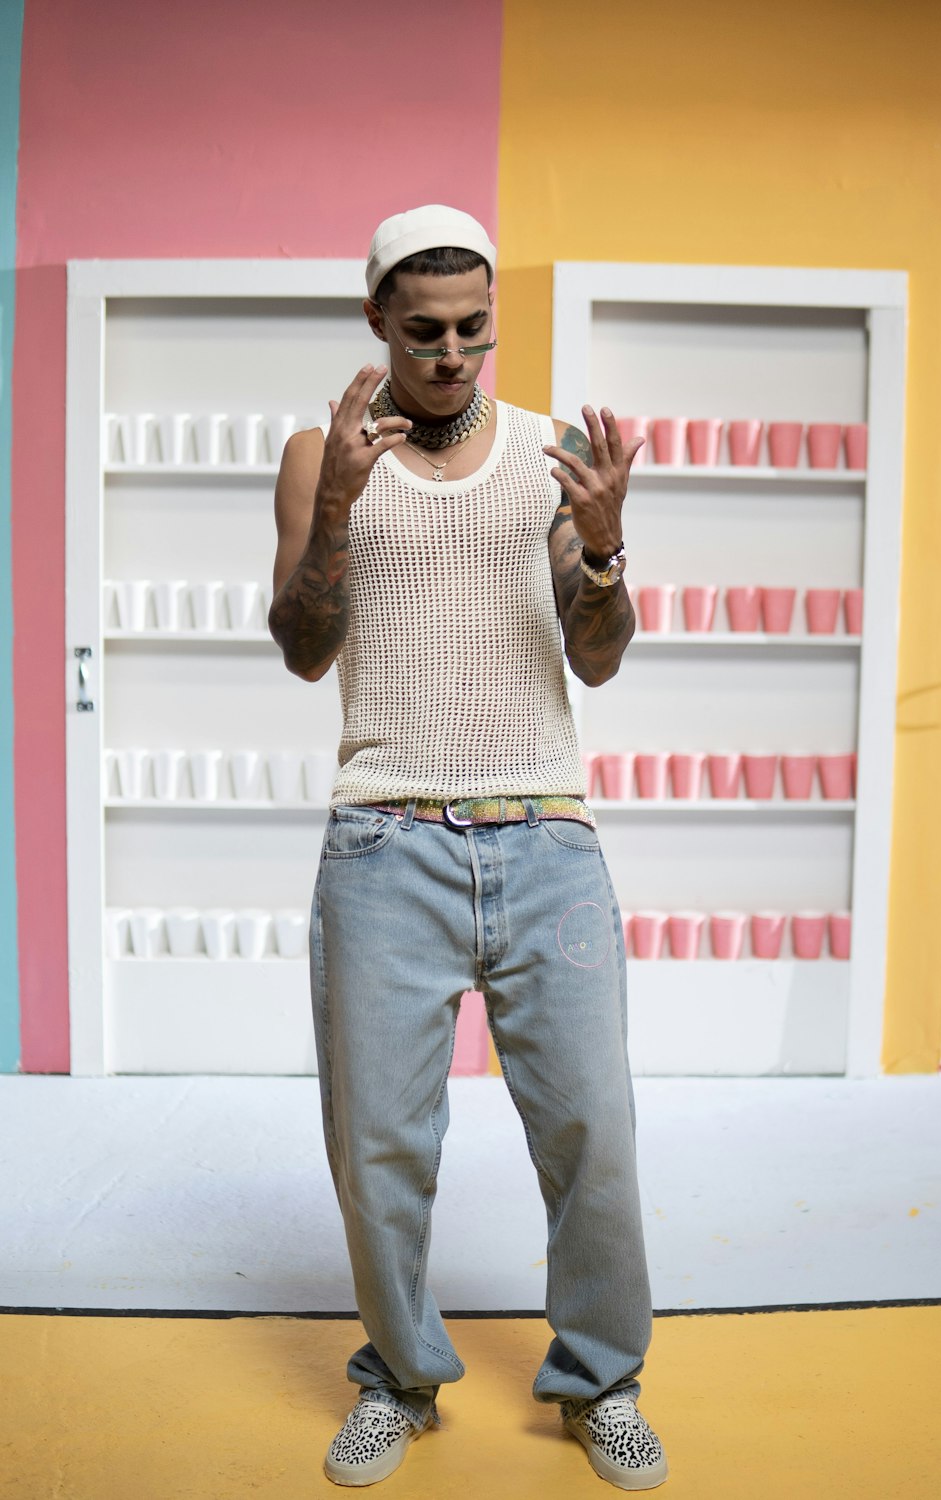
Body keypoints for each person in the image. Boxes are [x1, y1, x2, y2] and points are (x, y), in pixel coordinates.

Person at [268, 205, 666, 1491]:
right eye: (425, 330)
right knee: (377, 1139)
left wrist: (603, 548)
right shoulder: (315, 455)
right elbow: (302, 643)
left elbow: (595, 663)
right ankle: (398, 1379)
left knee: (592, 1128)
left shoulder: (548, 453)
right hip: (382, 844)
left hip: (545, 836)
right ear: (377, 321)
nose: (451, 355)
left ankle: (599, 1382)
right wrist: (335, 504)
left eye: (473, 331)